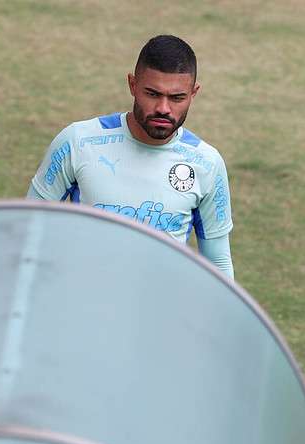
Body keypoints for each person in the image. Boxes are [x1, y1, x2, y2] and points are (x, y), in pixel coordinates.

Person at [26, 35, 235, 279]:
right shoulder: (78, 142)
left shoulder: (207, 164)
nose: (163, 108)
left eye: (177, 97)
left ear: (194, 92)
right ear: (132, 85)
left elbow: (218, 261)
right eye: (153, 94)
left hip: (158, 311)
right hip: (80, 305)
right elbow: (28, 225)